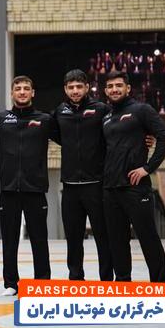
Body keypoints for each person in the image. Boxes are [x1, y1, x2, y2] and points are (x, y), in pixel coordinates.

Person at [102, 70, 165, 282]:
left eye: (118, 85)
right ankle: (123, 284)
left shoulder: (141, 110)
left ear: (128, 88)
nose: (114, 89)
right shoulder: (106, 118)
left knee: (148, 238)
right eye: (110, 86)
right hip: (111, 189)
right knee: (117, 242)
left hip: (136, 188)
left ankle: (159, 284)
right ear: (105, 90)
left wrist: (147, 168)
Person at [0, 75, 53, 296]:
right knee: (9, 240)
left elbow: (68, 136)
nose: (22, 92)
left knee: (39, 239)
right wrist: (2, 157)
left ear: (33, 93)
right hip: (9, 191)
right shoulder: (0, 118)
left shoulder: (45, 119)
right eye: (18, 88)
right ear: (12, 93)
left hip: (35, 190)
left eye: (26, 88)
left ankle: (42, 282)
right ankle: (10, 283)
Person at [50, 69, 114, 281]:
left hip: (96, 185)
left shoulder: (101, 109)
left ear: (87, 87)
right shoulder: (60, 112)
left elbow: (118, 131)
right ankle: (76, 279)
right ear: (65, 89)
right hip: (70, 186)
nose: (75, 91)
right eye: (71, 87)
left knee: (103, 237)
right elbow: (54, 134)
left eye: (79, 86)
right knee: (73, 238)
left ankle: (107, 280)